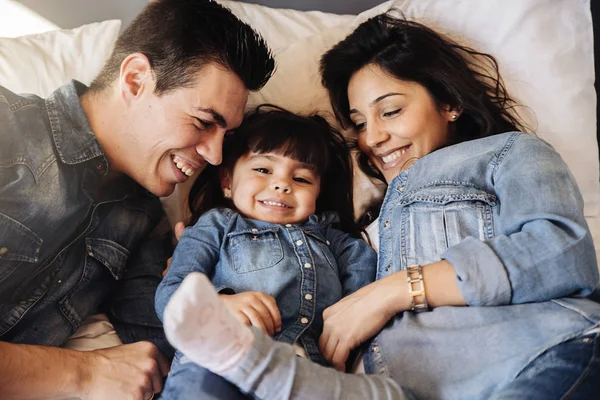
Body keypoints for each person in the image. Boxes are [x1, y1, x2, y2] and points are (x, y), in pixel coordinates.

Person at [159, 12, 600, 400]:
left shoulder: (507, 154)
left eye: (389, 111)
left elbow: (561, 254)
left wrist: (395, 291)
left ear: (448, 102)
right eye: (358, 124)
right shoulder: (361, 222)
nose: (372, 138)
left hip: (543, 354)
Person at [0, 0, 274, 398]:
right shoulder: (7, 125)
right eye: (202, 122)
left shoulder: (143, 219)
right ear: (134, 79)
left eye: (225, 137)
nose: (215, 156)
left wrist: (209, 283)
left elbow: (170, 356)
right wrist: (83, 374)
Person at [155, 106, 377, 399]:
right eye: (263, 169)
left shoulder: (336, 241)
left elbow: (364, 290)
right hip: (219, 359)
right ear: (227, 182)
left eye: (302, 179)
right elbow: (171, 293)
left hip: (300, 373)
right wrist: (219, 305)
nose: (281, 184)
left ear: (318, 193)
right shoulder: (217, 226)